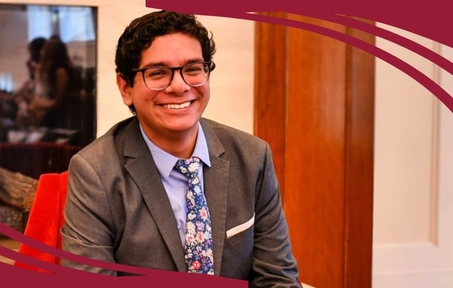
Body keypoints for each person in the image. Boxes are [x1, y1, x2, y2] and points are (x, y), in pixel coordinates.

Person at [61, 10, 301, 287]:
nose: (179, 86)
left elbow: (277, 277)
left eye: (193, 69)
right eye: (158, 73)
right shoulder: (95, 172)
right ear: (125, 86)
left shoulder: (252, 157)